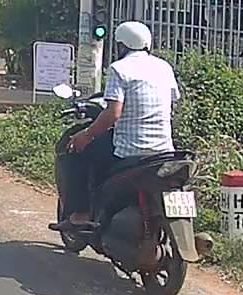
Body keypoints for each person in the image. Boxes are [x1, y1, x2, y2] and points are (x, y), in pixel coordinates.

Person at [50, 21, 180, 235]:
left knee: (76, 150)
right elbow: (173, 102)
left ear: (121, 46)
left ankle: (81, 214)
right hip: (164, 150)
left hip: (130, 150)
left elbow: (113, 113)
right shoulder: (164, 67)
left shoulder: (119, 69)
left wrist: (85, 135)